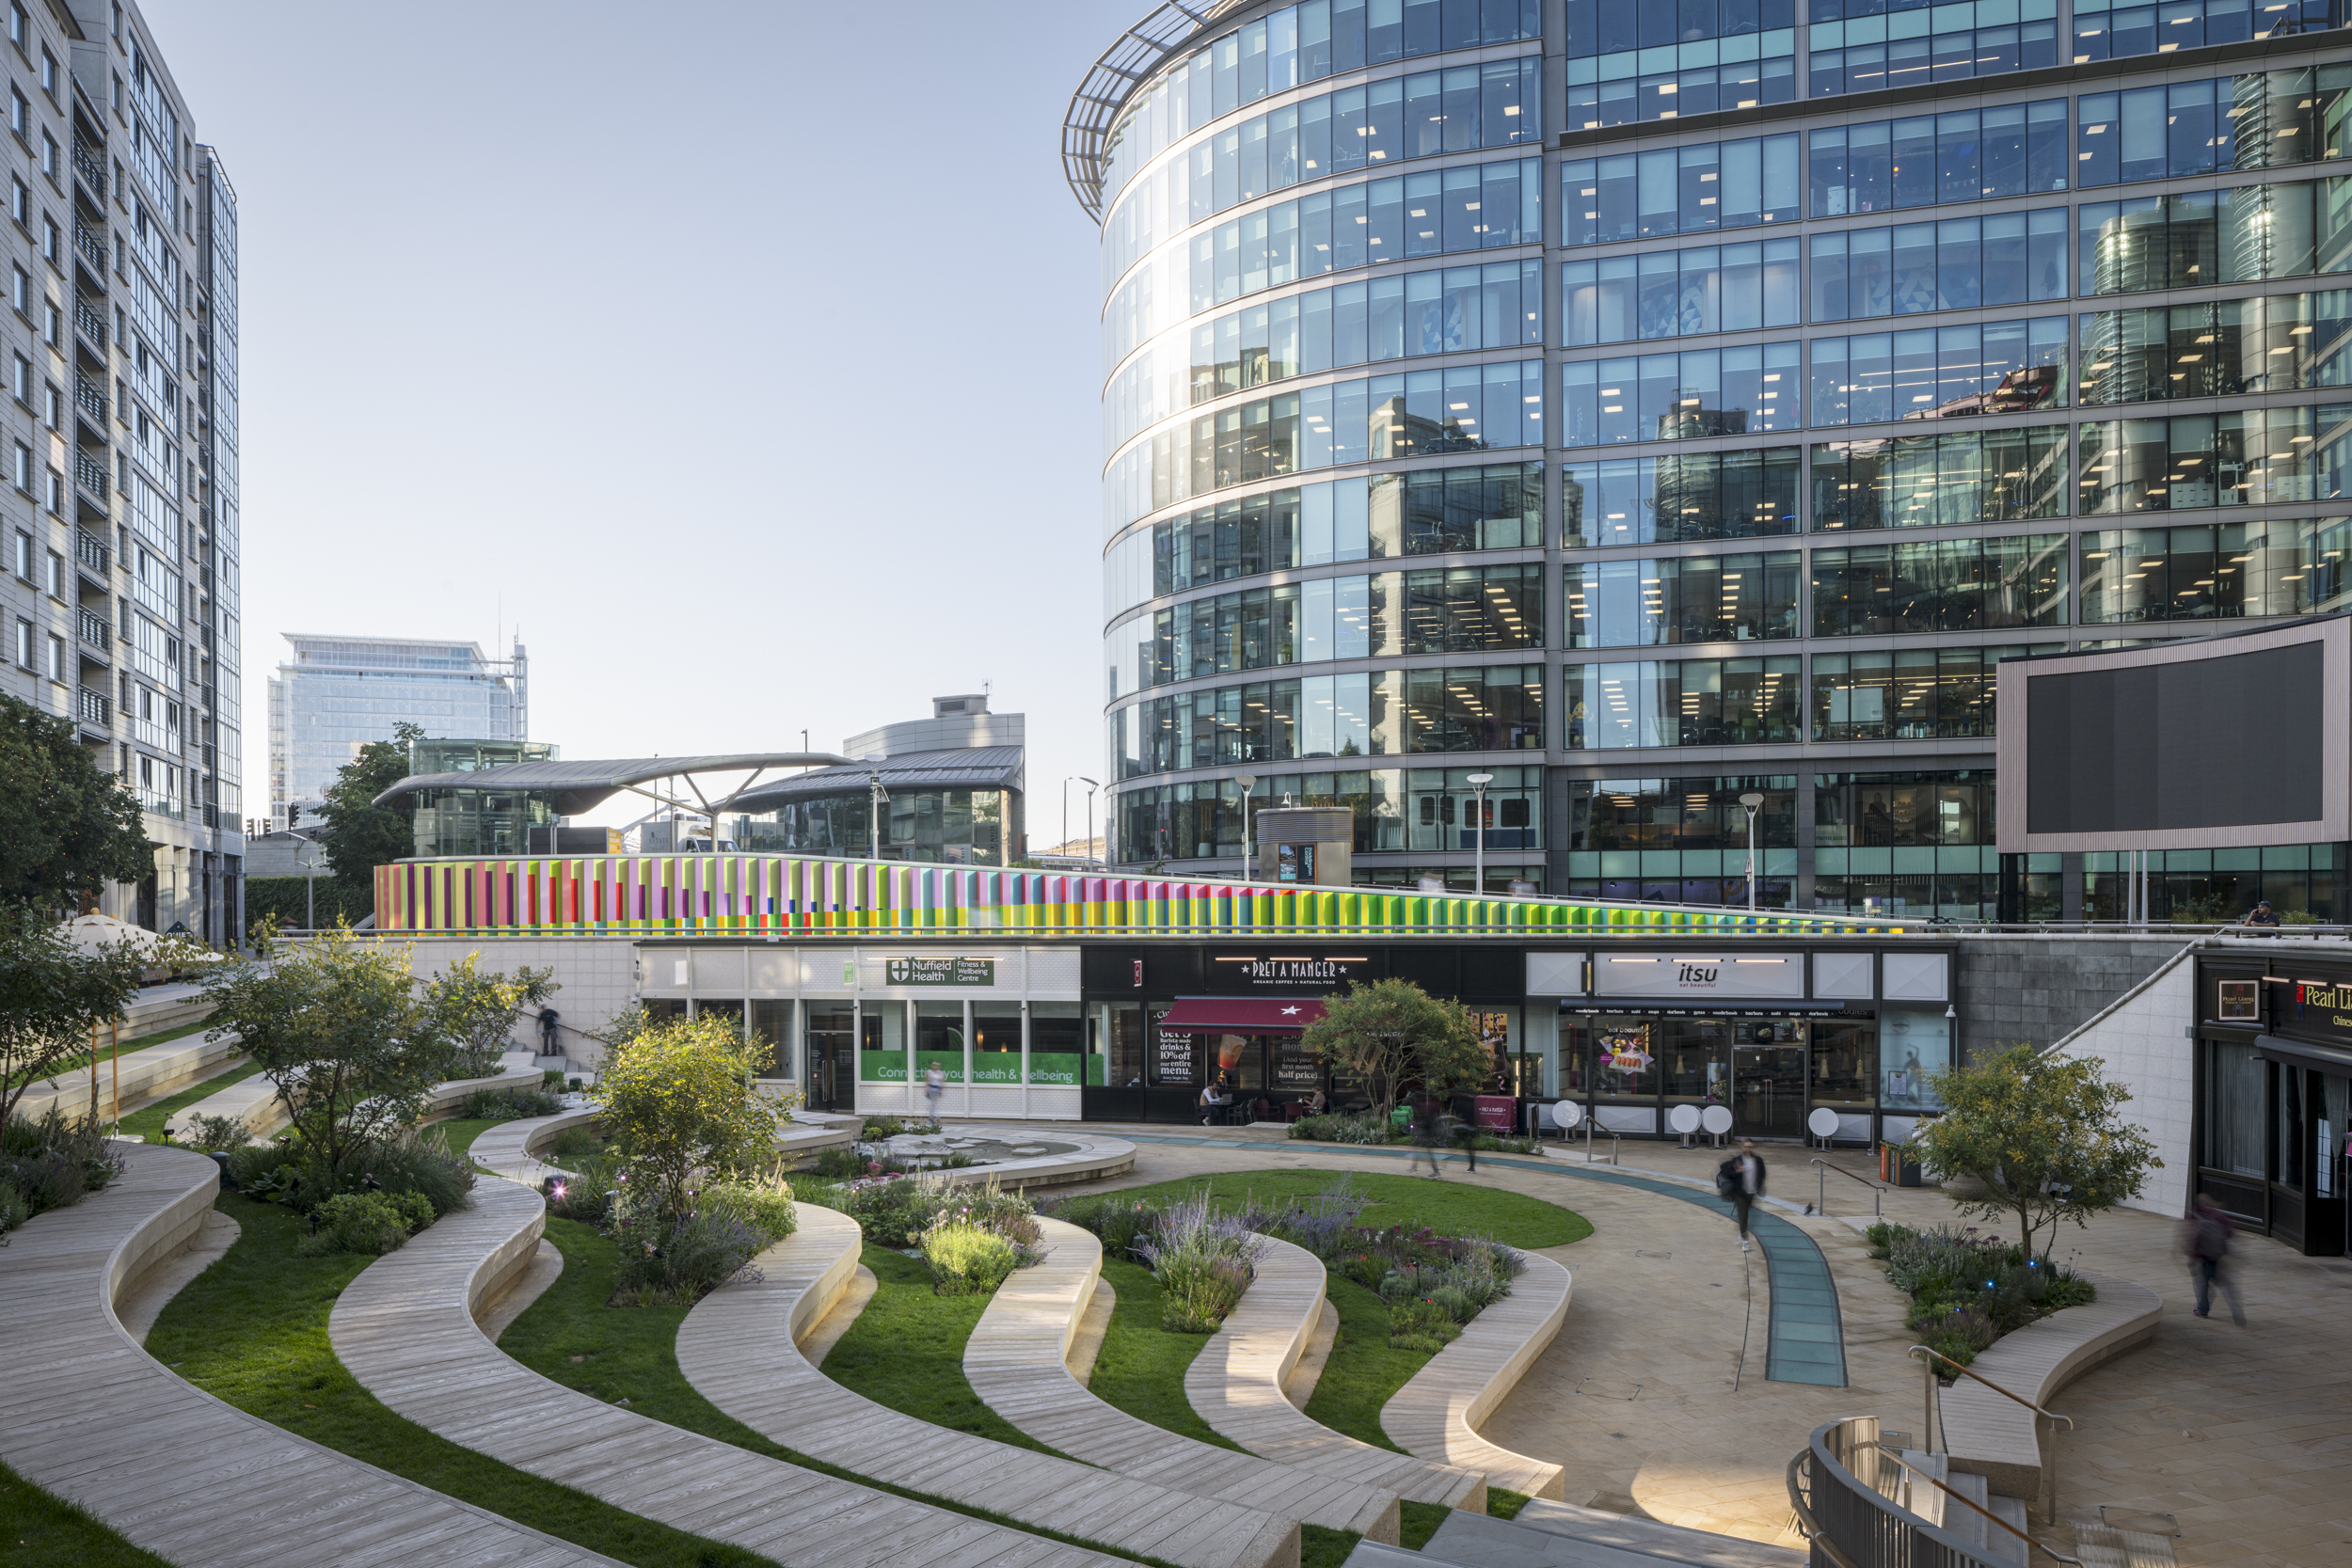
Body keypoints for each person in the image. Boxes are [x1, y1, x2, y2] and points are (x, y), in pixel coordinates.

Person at [2182, 1192, 2246, 1325]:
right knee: (2227, 1286)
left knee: (2202, 1286)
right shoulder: (2219, 1215)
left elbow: (2191, 1236)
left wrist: (2191, 1256)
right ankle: (2237, 1312)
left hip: (2202, 1259)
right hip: (2217, 1257)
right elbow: (2230, 1233)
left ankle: (2202, 1310)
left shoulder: (2194, 1213)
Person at [1716, 1138, 1767, 1251]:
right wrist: (1737, 1171)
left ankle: (1742, 1231)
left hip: (1752, 1192)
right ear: (1742, 1147)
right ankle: (1745, 1239)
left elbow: (1762, 1174)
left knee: (1751, 1216)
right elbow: (1726, 1173)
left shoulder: (1758, 1160)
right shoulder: (1737, 1160)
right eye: (1746, 1147)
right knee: (1743, 1216)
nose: (1748, 1149)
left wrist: (1760, 1187)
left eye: (1750, 1147)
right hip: (1740, 1193)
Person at [1411, 1095, 1446, 1178]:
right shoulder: (1423, 1107)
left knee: (1428, 1152)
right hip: (1427, 1131)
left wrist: (1419, 1125)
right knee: (1419, 1148)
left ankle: (1436, 1172)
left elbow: (1426, 1121)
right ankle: (1414, 1167)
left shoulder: (1422, 1108)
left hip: (1427, 1131)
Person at [924, 1061, 946, 1127]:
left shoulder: (940, 1073)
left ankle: (933, 1117)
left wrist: (941, 1091)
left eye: (937, 1065)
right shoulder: (929, 1073)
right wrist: (925, 1090)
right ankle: (931, 1117)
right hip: (931, 1090)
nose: (936, 1067)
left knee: (934, 1104)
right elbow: (926, 1081)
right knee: (933, 1103)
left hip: (937, 1090)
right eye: (934, 1065)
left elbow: (941, 1082)